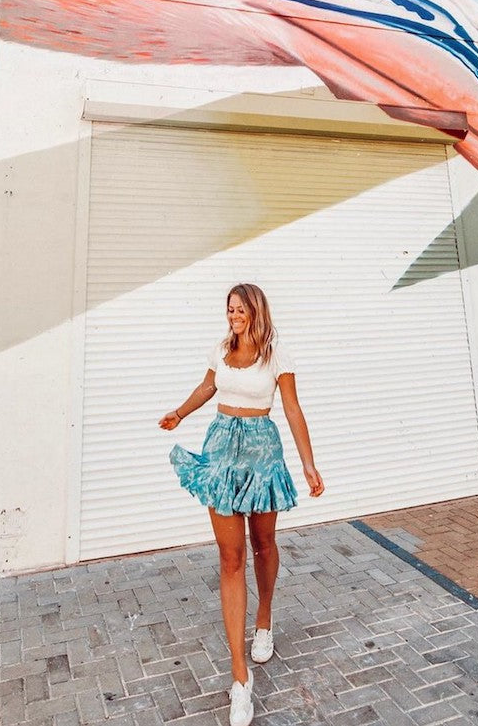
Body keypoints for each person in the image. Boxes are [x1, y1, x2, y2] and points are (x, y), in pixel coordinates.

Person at [159, 283, 324, 726]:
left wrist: (308, 464)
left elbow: (292, 409)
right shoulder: (221, 349)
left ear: (255, 310)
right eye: (229, 309)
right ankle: (239, 678)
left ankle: (264, 619)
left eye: (239, 309)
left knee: (263, 545)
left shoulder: (276, 354)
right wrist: (180, 412)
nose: (232, 316)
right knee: (230, 559)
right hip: (221, 450)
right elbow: (207, 386)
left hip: (262, 453)